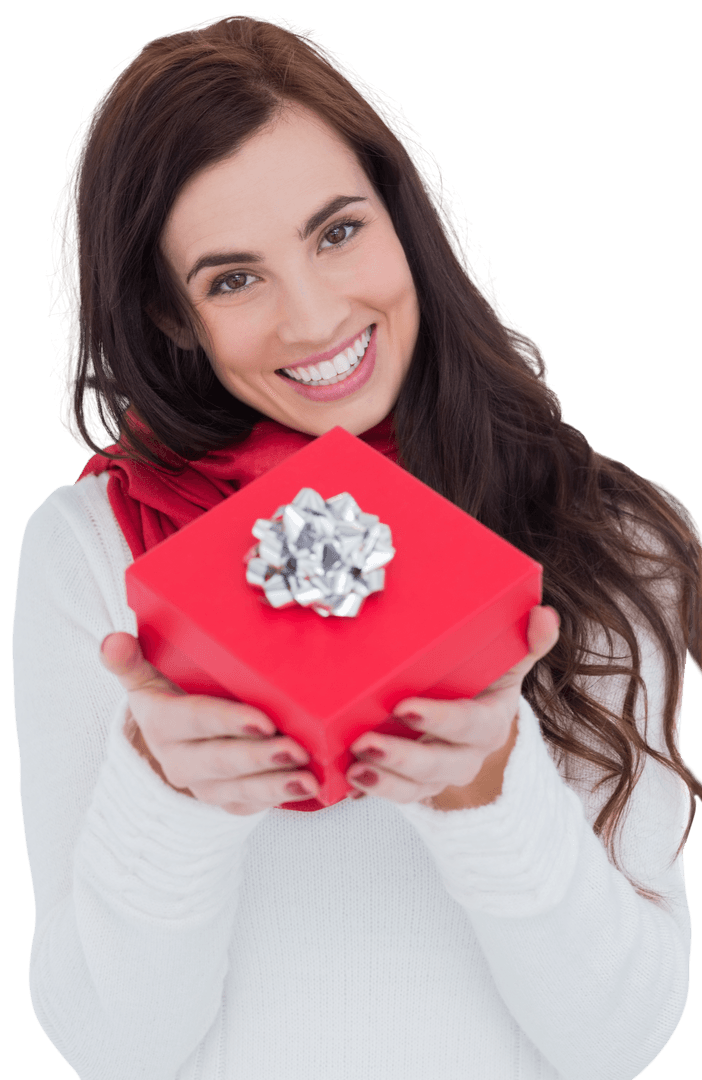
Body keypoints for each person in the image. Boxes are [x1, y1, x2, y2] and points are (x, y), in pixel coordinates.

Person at [12, 12, 702, 1080]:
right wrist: (168, 799)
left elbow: (620, 1042)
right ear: (173, 316)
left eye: (338, 233)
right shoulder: (94, 551)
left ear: (400, 216)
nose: (315, 317)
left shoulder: (607, 538)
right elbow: (109, 1050)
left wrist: (490, 790)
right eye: (232, 278)